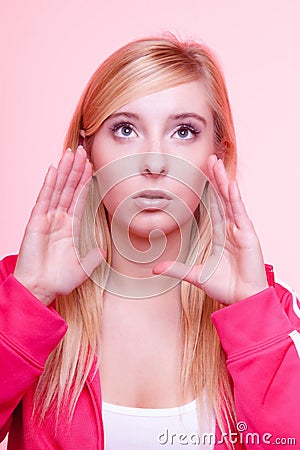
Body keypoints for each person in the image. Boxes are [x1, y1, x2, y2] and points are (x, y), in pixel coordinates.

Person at [0, 34, 299, 450]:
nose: (156, 162)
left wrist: (252, 312)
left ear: (218, 150)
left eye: (183, 131)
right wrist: (27, 301)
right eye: (125, 129)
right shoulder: (15, 293)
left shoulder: (273, 313)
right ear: (87, 149)